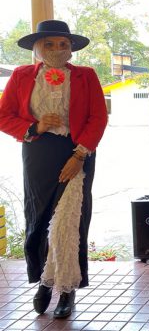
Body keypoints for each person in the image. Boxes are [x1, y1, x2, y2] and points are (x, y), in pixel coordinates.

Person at [0, 20, 108, 318]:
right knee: (40, 220)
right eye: (50, 44)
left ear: (71, 48)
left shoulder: (86, 76)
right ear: (38, 47)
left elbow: (97, 118)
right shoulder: (22, 76)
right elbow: (4, 115)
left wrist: (79, 154)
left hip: (77, 151)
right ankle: (45, 281)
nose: (58, 49)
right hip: (37, 151)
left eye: (63, 44)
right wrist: (33, 126)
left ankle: (67, 288)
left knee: (69, 222)